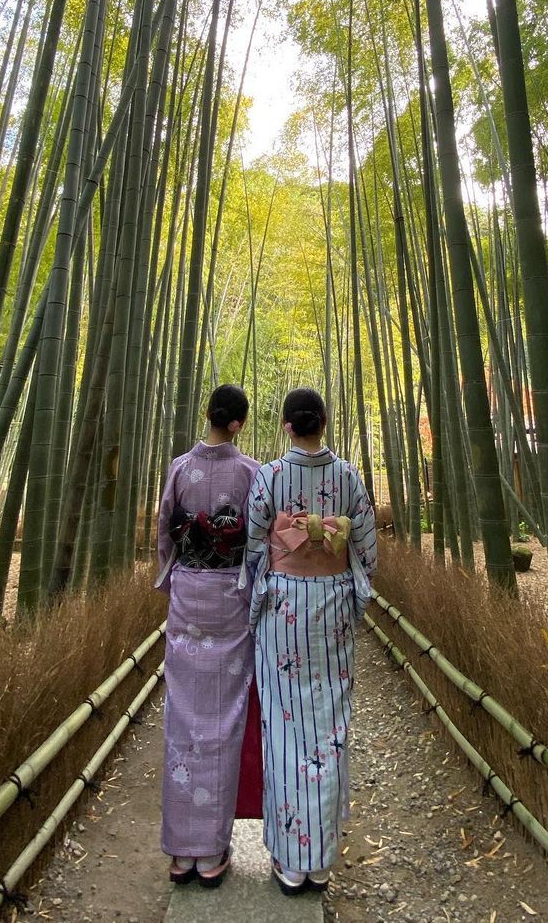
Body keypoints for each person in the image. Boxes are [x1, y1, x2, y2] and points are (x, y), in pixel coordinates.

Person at [245, 386, 378, 896]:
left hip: (284, 609)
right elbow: (366, 547)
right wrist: (338, 565)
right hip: (333, 608)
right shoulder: (348, 476)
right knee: (328, 724)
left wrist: (275, 570)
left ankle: (290, 860)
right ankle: (319, 861)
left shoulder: (271, 476)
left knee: (283, 727)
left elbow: (255, 547)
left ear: (286, 425)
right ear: (324, 421)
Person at [156, 384, 260, 888]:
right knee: (225, 720)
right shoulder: (252, 473)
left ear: (209, 416)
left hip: (188, 595)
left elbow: (163, 532)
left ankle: (182, 853)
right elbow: (257, 543)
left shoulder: (179, 467)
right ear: (238, 423)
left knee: (184, 716)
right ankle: (213, 849)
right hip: (233, 598)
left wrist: (170, 578)